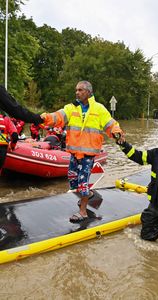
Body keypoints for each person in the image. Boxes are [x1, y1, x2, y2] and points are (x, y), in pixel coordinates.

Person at [41, 80, 123, 223]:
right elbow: (57, 117)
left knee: (82, 183)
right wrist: (44, 118)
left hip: (88, 155)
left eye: (80, 90)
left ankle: (83, 212)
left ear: (88, 92)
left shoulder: (99, 109)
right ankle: (89, 194)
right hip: (74, 153)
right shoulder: (71, 108)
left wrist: (116, 132)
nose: (77, 92)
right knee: (73, 182)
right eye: (76, 90)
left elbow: (111, 124)